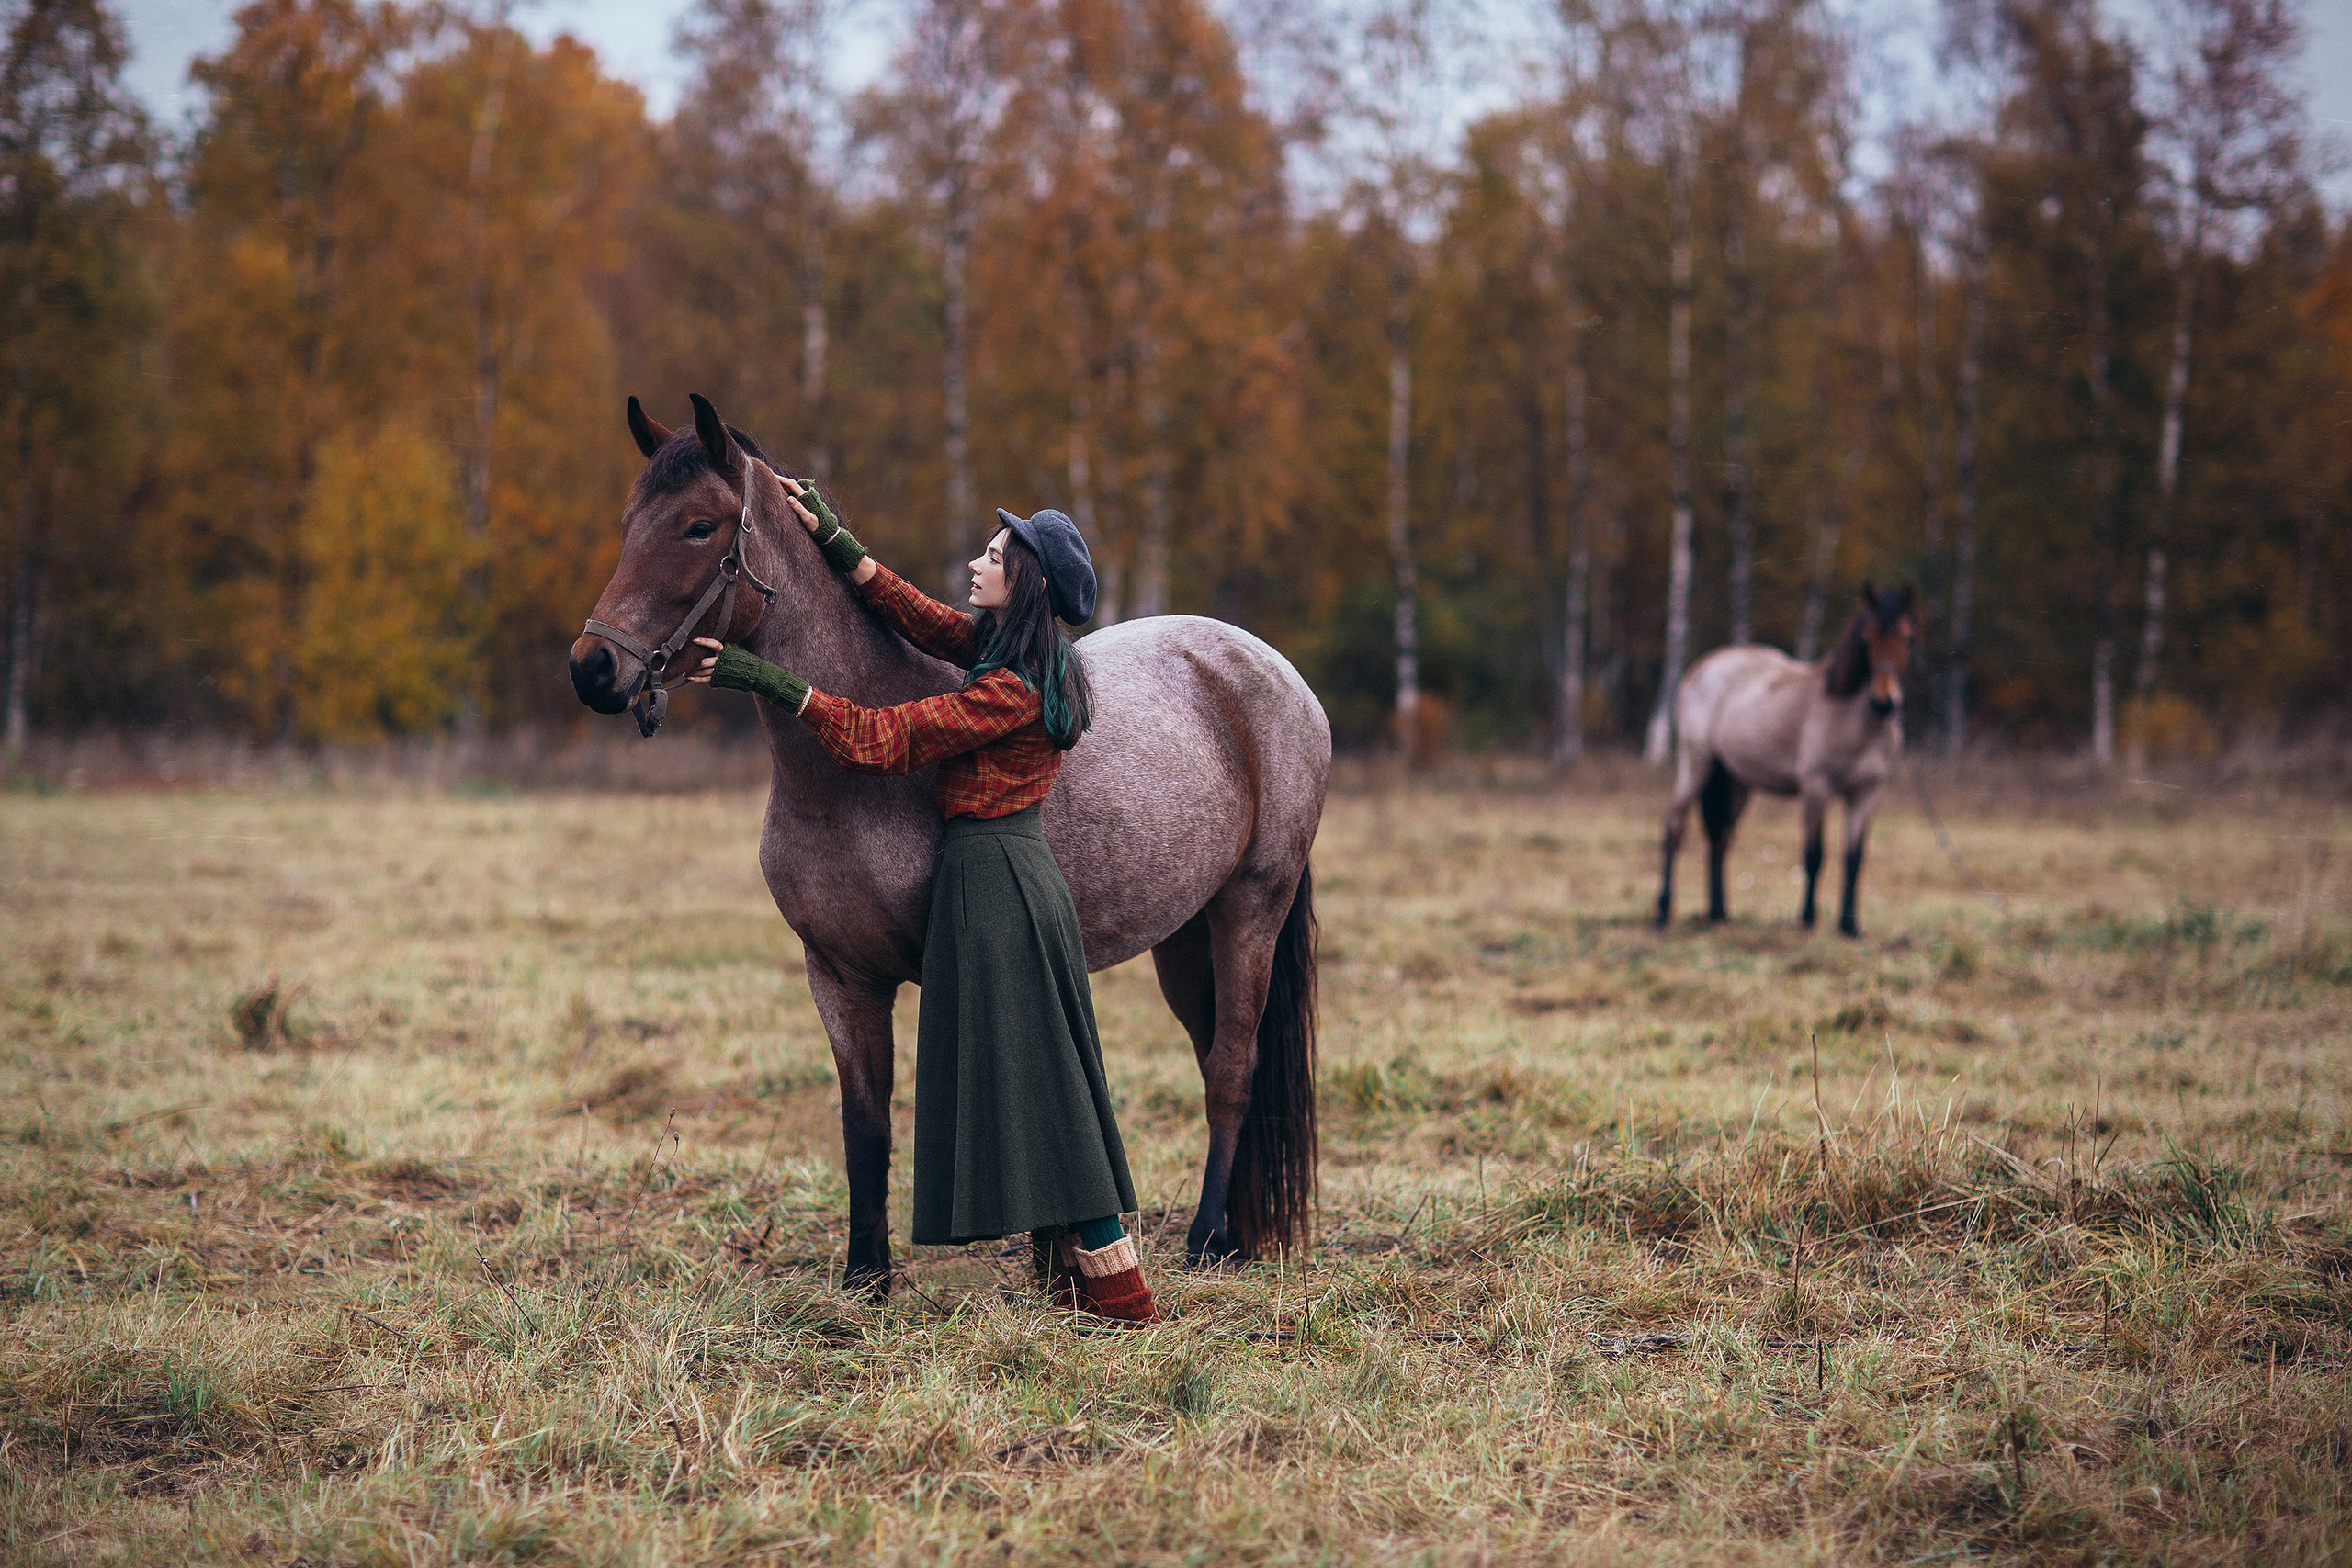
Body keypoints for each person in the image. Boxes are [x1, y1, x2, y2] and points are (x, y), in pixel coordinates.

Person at [687, 478, 1159, 1327]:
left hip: (999, 884)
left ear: (1027, 583)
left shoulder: (1012, 685)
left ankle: (1124, 1294)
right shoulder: (1003, 645)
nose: (977, 562)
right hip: (997, 878)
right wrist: (832, 532)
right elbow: (909, 611)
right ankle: (1082, 1278)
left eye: (993, 556)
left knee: (1048, 1079)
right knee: (1032, 1072)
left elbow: (890, 738)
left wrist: (768, 679)